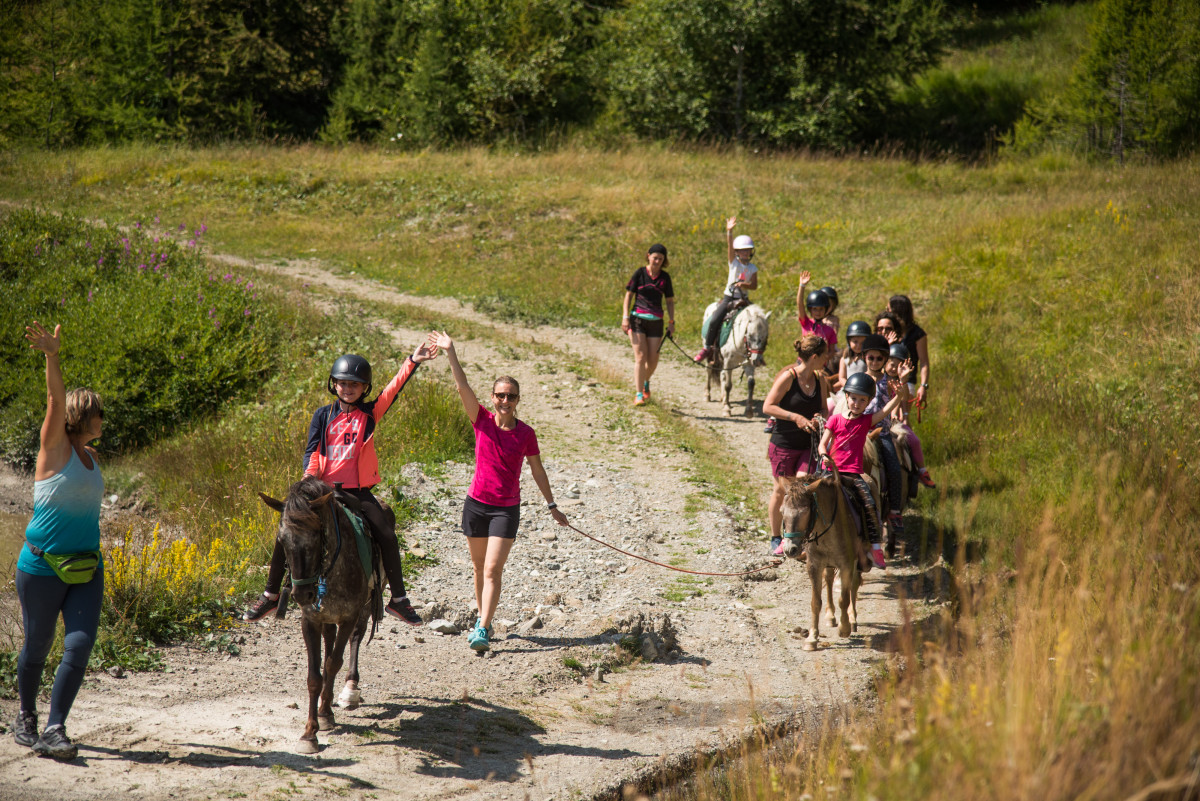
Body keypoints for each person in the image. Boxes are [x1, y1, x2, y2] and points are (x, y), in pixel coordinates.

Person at [242, 346, 437, 625]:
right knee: (288, 529)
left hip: (358, 491)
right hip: (324, 491)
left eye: (355, 384)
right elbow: (311, 452)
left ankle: (399, 600)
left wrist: (412, 361)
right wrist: (309, 478)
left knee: (387, 534)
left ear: (365, 388)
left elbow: (393, 390)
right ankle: (270, 595)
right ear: (334, 384)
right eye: (343, 383)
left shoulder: (370, 414)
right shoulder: (322, 415)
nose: (348, 388)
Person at [431, 331, 569, 652]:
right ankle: (485, 619)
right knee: (479, 568)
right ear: (492, 398)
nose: (505, 401)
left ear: (518, 400)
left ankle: (481, 628)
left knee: (493, 569)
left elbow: (537, 470)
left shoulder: (526, 434)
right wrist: (451, 351)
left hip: (506, 510)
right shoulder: (481, 421)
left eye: (511, 396)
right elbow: (462, 387)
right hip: (475, 505)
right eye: (500, 395)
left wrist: (552, 506)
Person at [14, 322, 104, 760]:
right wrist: (52, 356)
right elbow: (53, 400)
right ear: (84, 416)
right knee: (36, 645)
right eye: (99, 412)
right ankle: (26, 716)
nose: (104, 419)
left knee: (80, 643)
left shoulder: (91, 456)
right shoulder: (55, 448)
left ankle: (55, 727)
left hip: (87, 566)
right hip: (43, 566)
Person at [816, 371, 905, 571]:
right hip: (831, 471)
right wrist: (823, 456)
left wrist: (898, 396)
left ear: (868, 402)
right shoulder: (835, 420)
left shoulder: (865, 421)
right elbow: (823, 445)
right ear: (846, 396)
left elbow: (884, 412)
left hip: (853, 474)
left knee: (870, 505)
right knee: (813, 499)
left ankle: (874, 547)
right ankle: (809, 541)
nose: (856, 403)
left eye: (862, 400)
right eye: (853, 398)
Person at [761, 335, 828, 555]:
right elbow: (768, 406)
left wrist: (819, 416)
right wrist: (795, 417)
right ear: (815, 356)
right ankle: (776, 537)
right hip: (784, 444)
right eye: (825, 355)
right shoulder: (788, 378)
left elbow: (824, 409)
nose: (828, 358)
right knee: (782, 491)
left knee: (801, 490)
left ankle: (799, 537)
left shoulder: (820, 379)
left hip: (808, 445)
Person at [860, 334, 910, 538]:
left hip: (883, 432)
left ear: (885, 360)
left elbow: (903, 397)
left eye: (879, 359)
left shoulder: (888, 382)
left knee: (893, 465)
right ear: (864, 357)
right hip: (860, 432)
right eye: (870, 358)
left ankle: (895, 511)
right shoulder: (859, 379)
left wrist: (904, 381)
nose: (874, 362)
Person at [694, 216, 758, 363]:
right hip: (729, 297)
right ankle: (707, 347)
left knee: (757, 321)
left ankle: (755, 351)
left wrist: (744, 285)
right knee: (715, 319)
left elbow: (754, 285)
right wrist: (729, 232)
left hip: (743, 299)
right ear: (737, 252)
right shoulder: (733, 263)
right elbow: (729, 248)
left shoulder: (753, 268)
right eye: (742, 251)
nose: (745, 254)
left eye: (747, 251)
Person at [621, 243, 675, 406]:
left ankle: (645, 381)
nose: (657, 261)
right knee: (640, 357)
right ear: (648, 256)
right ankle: (639, 394)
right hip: (637, 319)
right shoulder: (640, 273)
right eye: (655, 257)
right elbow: (628, 296)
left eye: (660, 259)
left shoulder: (665, 278)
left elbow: (670, 301)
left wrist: (671, 322)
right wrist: (625, 317)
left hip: (656, 321)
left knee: (653, 361)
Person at [884, 343, 936, 488]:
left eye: (898, 366)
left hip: (893, 419)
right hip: (878, 417)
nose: (894, 368)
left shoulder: (900, 383)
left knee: (913, 440)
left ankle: (921, 471)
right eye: (892, 364)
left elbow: (903, 399)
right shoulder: (880, 380)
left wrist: (904, 381)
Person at [888, 294, 930, 409]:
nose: (886, 312)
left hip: (907, 380)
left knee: (901, 416)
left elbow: (924, 362)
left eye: (889, 309)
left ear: (897, 312)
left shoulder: (918, 334)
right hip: (888, 378)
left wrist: (923, 386)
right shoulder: (889, 330)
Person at [795, 272, 838, 357]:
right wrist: (802, 286)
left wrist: (821, 360)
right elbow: (800, 304)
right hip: (804, 362)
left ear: (826, 309)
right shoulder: (806, 323)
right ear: (810, 309)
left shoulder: (830, 330)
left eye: (821, 309)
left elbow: (832, 351)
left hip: (820, 365)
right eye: (815, 309)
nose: (818, 312)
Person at [833, 320, 871, 393]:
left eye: (862, 343)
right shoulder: (845, 359)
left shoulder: (868, 358)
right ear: (849, 341)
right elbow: (842, 377)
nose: (858, 345)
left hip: (863, 390)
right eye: (855, 342)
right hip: (847, 390)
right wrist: (849, 387)